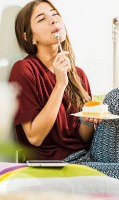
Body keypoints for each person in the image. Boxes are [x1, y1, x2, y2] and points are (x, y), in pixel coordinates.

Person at [9, 0, 119, 179]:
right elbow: (34, 138)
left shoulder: (78, 74)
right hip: (59, 164)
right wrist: (60, 84)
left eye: (54, 14)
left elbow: (82, 138)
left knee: (116, 97)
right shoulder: (24, 69)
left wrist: (89, 121)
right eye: (41, 19)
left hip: (90, 155)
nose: (53, 21)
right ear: (29, 37)